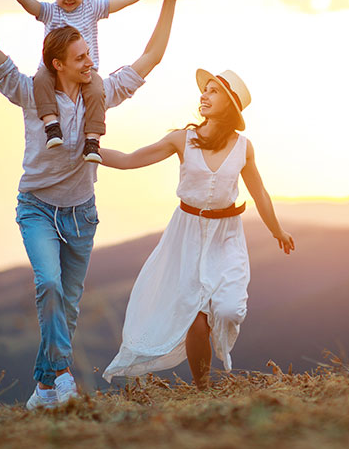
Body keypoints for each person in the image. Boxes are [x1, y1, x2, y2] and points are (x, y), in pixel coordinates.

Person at [0, 0, 179, 408]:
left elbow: (151, 57)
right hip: (37, 209)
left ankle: (44, 387)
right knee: (48, 284)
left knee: (67, 306)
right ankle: (63, 376)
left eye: (90, 55)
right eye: (83, 58)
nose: (92, 62)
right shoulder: (31, 93)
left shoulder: (100, 93)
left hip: (81, 214)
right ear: (58, 64)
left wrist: (169, 1)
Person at [101, 69, 294, 389]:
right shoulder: (182, 139)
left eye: (214, 91)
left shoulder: (243, 147)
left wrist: (277, 231)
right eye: (205, 90)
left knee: (230, 310)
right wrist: (87, 150)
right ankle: (202, 387)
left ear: (230, 104)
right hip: (187, 234)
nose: (204, 95)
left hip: (226, 235)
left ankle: (214, 354)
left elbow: (259, 192)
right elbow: (129, 160)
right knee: (196, 318)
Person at [0, 0, 165, 163]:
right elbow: (26, 1)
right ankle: (51, 125)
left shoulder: (92, 8)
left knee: (96, 92)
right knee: (40, 81)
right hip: (51, 67)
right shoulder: (50, 11)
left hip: (86, 70)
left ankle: (92, 140)